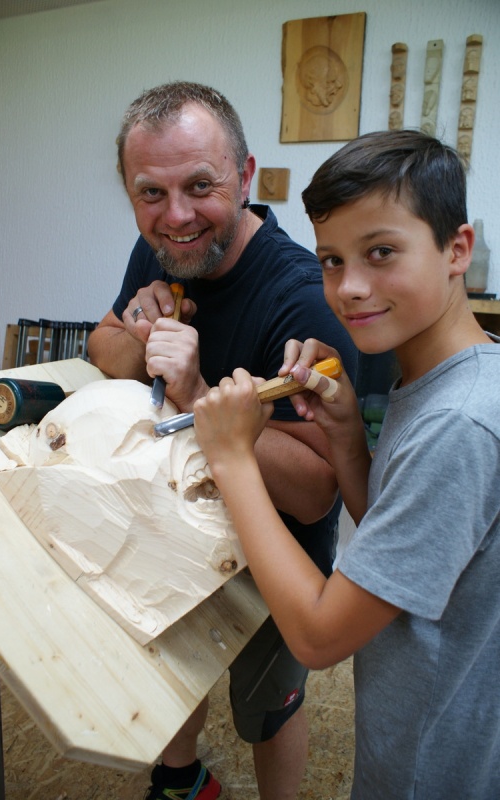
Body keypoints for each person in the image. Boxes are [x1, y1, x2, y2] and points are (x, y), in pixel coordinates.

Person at [193, 130, 500, 799]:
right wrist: (345, 439)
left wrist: (233, 458)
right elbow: (403, 550)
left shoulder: (458, 423)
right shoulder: (442, 379)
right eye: (331, 260)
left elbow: (317, 637)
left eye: (381, 252)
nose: (350, 288)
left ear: (457, 250)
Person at [87, 81, 357, 800]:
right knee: (173, 667)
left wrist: (197, 391)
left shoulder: (302, 295)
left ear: (244, 176)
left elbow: (314, 491)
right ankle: (182, 780)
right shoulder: (162, 248)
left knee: (269, 707)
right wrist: (139, 336)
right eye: (151, 193)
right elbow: (101, 345)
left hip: (276, 555)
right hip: (174, 519)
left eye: (200, 186)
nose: (176, 215)